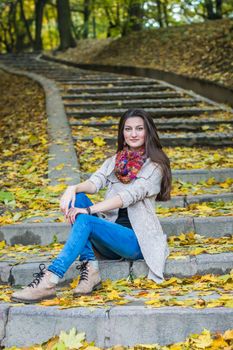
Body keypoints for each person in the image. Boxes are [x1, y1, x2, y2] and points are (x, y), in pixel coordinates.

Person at [11, 108, 172, 304]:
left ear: (148, 131)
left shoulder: (155, 166)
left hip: (136, 241)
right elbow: (95, 183)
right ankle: (90, 267)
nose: (133, 134)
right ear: (122, 132)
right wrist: (73, 187)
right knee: (77, 199)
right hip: (108, 239)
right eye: (128, 129)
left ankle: (50, 280)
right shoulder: (116, 161)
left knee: (85, 218)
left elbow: (128, 196)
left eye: (139, 128)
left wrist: (89, 210)